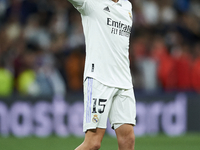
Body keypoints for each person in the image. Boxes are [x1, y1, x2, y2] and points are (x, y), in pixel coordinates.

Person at [68, 0, 136, 149]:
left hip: (124, 81)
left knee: (128, 139)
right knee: (93, 143)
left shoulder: (127, 5)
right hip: (99, 79)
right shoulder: (91, 3)